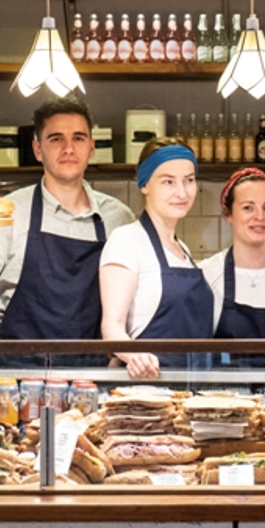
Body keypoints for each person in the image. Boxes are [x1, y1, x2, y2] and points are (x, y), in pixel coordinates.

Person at [0, 97, 134, 367]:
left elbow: (135, 304)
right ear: (37, 149)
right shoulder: (6, 213)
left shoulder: (119, 218)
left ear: (91, 148)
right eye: (55, 139)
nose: (68, 148)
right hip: (18, 382)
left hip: (93, 381)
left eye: (78, 138)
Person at [100, 137, 213, 379]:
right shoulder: (127, 240)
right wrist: (134, 356)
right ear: (145, 185)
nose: (182, 192)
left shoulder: (183, 250)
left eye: (189, 180)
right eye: (168, 182)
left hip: (192, 389)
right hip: (146, 390)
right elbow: (111, 326)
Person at [200, 167, 265, 367]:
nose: (260, 217)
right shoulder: (208, 275)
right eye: (248, 208)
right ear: (228, 214)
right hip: (229, 395)